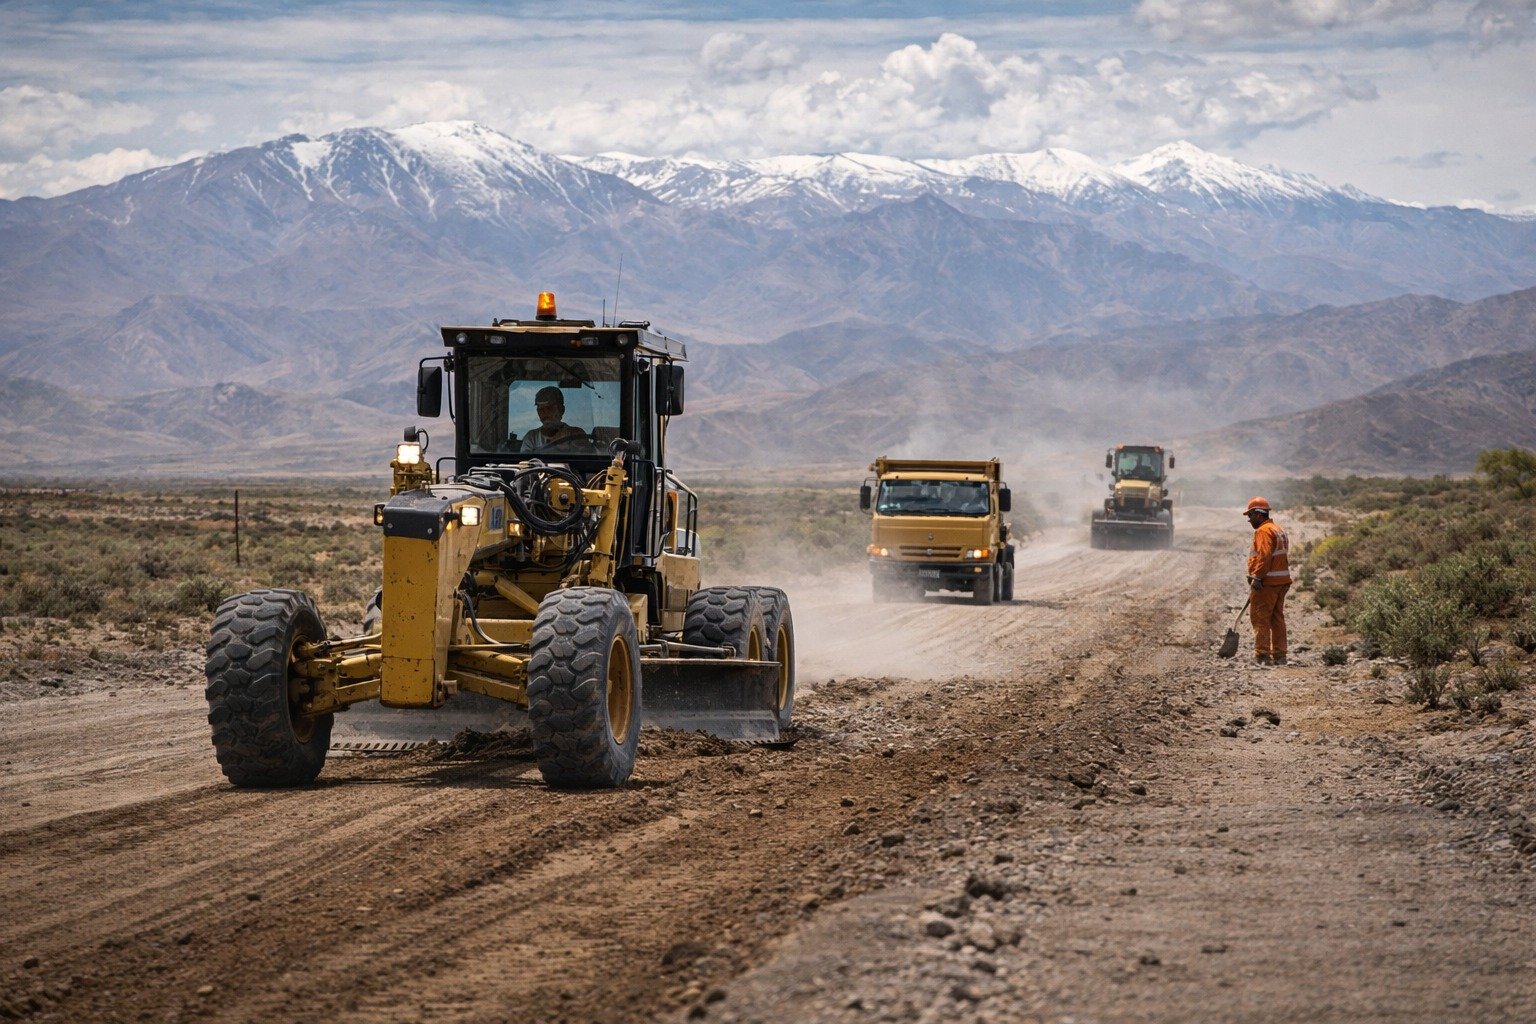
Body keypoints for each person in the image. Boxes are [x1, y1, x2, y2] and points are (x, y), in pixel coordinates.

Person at [1244, 496, 1292, 665]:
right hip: (1282, 582)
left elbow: (1264, 557)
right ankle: (1280, 655)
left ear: (1258, 514)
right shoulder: (1278, 529)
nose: (1249, 520)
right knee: (1277, 617)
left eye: (1250, 516)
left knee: (1260, 617)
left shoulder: (1263, 531)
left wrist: (1257, 576)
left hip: (1268, 583)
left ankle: (1263, 655)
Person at [520, 386, 591, 453]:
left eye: (550, 408)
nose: (545, 413)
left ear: (561, 410)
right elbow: (525, 463)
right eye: (541, 409)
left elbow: (582, 462)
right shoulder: (531, 437)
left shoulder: (575, 434)